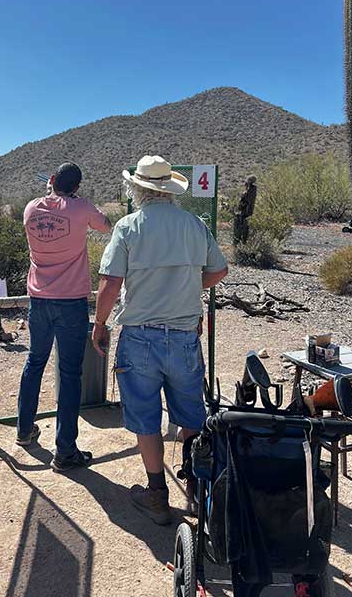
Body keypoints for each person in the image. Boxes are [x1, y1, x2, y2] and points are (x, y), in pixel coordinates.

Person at [92, 155, 228, 525]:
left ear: (137, 188)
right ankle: (199, 494)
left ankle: (156, 494)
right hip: (184, 337)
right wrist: (185, 289)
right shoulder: (193, 225)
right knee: (191, 416)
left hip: (139, 339)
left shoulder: (128, 227)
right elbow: (219, 269)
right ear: (169, 189)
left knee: (144, 417)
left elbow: (110, 283)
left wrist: (100, 322)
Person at [16, 162, 111, 472]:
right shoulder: (81, 208)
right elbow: (105, 225)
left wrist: (52, 195)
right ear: (77, 187)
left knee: (34, 363)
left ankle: (24, 430)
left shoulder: (31, 208)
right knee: (70, 374)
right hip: (70, 302)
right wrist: (76, 202)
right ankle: (65, 451)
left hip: (38, 301)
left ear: (52, 180)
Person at [233, 175, 257, 245]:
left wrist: (241, 202)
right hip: (248, 211)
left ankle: (241, 243)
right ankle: (242, 242)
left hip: (245, 212)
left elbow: (245, 201)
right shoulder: (252, 190)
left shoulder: (250, 191)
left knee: (243, 228)